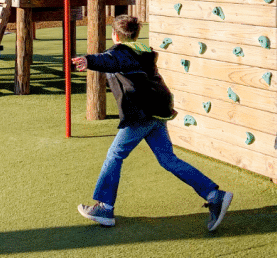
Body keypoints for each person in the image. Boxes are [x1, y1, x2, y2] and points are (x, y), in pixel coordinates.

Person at [72, 14, 233, 231]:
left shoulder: (122, 52)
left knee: (115, 154)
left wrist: (89, 61)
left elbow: (111, 60)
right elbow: (113, 60)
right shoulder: (144, 50)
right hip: (158, 110)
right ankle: (214, 195)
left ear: (115, 35)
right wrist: (93, 60)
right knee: (167, 159)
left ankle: (105, 207)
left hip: (143, 113)